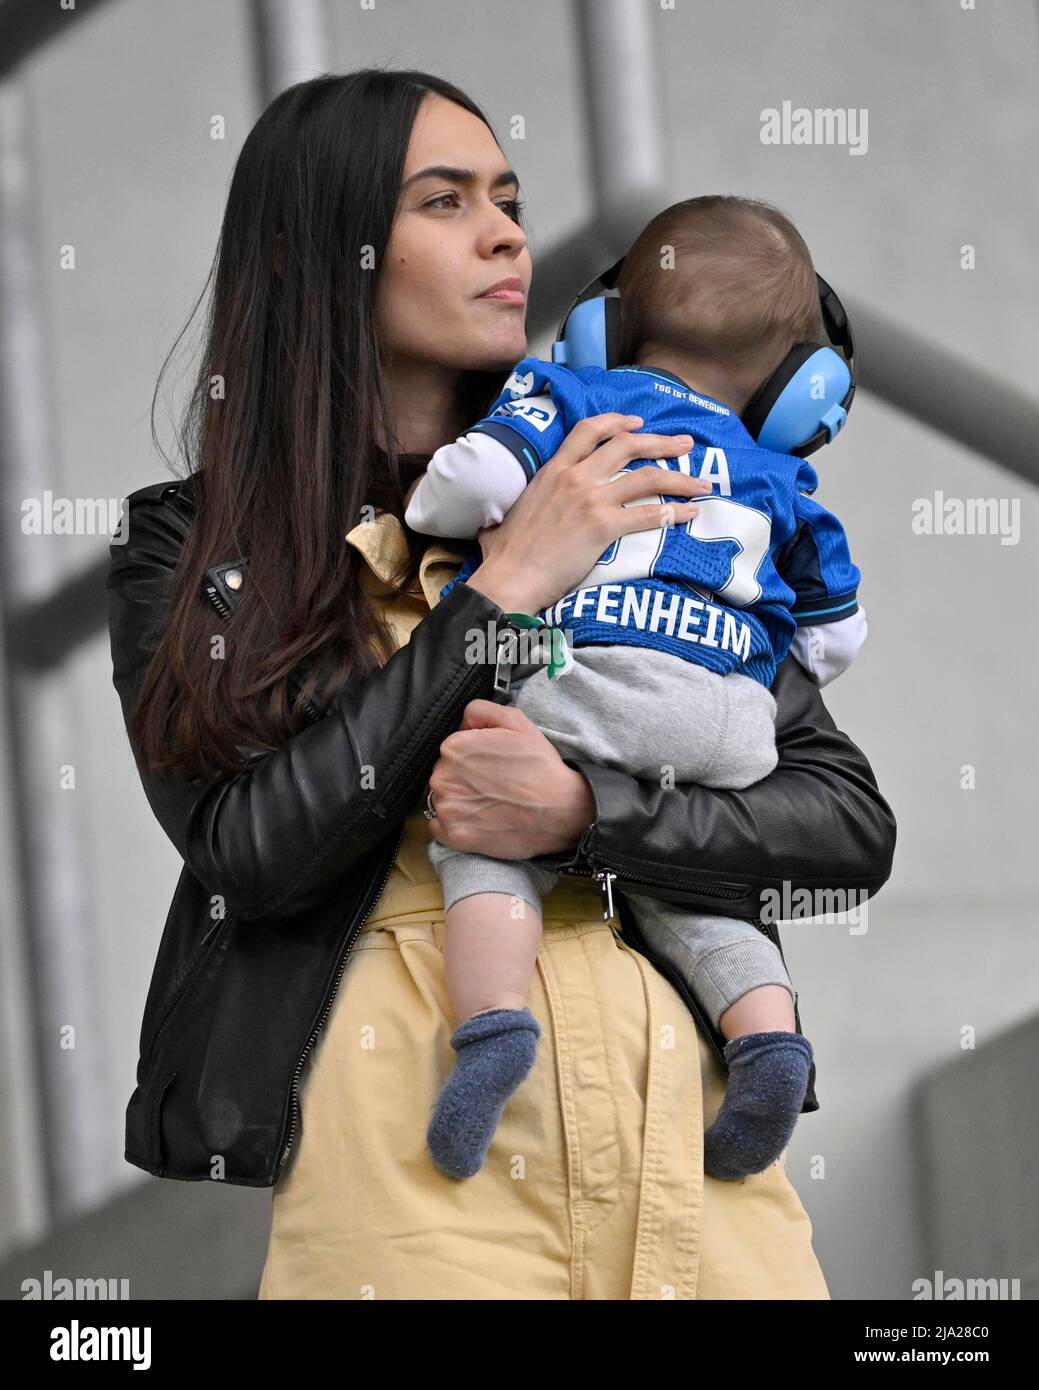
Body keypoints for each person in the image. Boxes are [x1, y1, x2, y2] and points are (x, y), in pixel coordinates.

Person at [107, 69, 895, 1300]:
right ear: (319, 248)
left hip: (691, 1154)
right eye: (443, 200)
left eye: (510, 199)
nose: (506, 233)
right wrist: (502, 589)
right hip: (418, 1170)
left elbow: (843, 822)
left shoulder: (622, 464)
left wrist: (587, 815)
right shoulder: (192, 547)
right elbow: (248, 847)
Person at [404, 195, 867, 1185]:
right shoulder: (781, 473)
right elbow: (835, 637)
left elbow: (467, 485)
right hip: (733, 725)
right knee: (685, 881)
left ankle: (490, 1028)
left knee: (484, 824)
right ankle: (768, 1038)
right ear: (802, 390)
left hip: (594, 679)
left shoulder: (578, 396)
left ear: (601, 329)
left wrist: (448, 507)